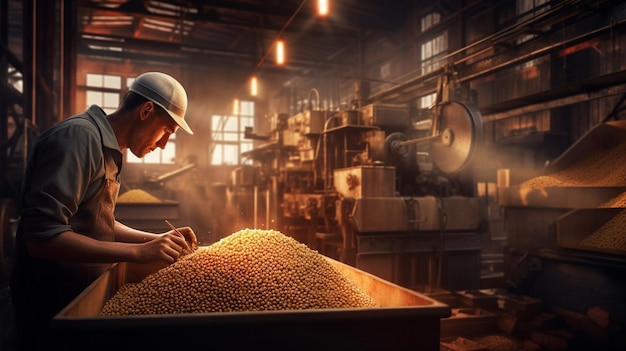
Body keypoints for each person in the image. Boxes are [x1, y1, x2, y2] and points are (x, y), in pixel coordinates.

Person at [9, 71, 198, 350]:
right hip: (50, 302)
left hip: (80, 294)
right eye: (166, 131)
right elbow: (41, 239)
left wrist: (154, 239)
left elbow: (97, 221)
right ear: (146, 110)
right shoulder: (78, 139)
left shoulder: (108, 147)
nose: (163, 145)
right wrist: (138, 253)